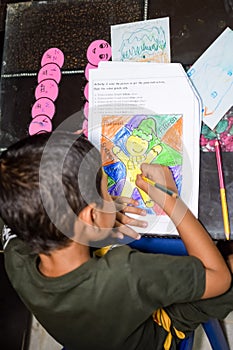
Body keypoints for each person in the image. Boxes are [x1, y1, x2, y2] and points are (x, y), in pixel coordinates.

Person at [0, 131, 233, 350]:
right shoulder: (127, 272)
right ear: (90, 215)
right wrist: (170, 200)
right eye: (106, 190)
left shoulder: (15, 257)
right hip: (156, 335)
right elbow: (219, 278)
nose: (112, 194)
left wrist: (98, 223)